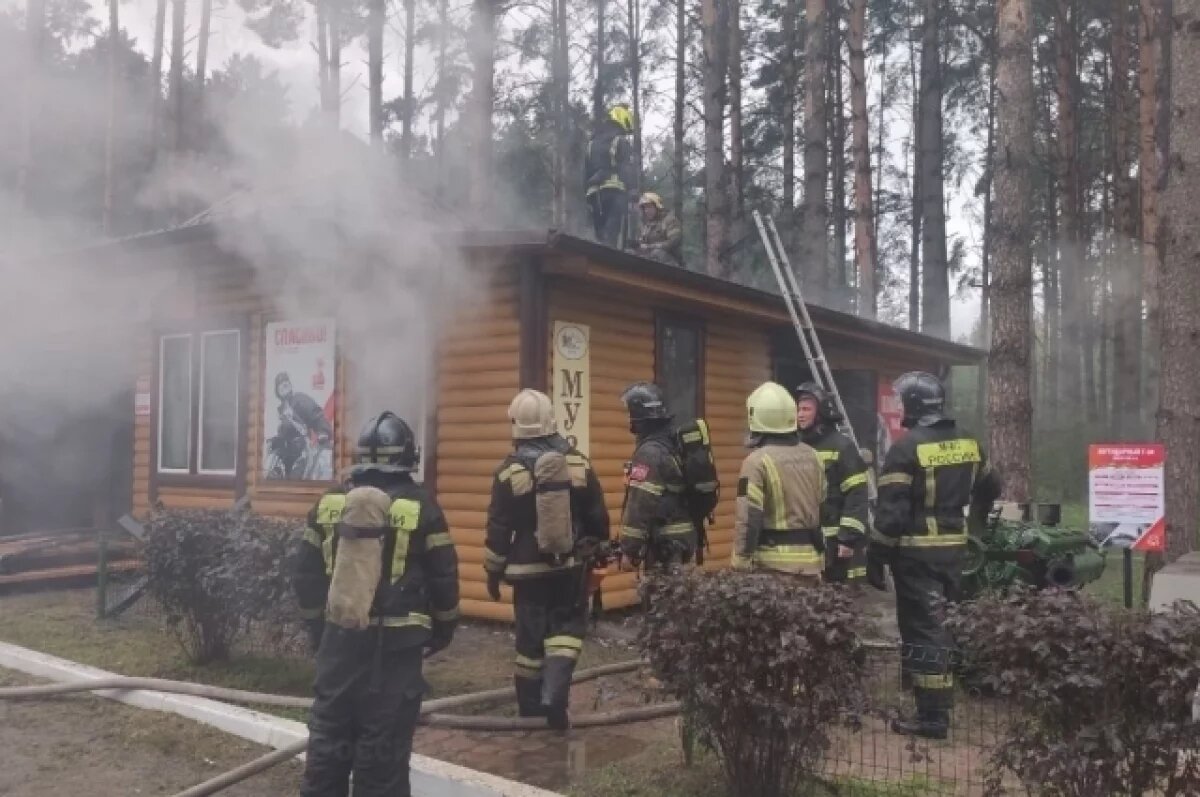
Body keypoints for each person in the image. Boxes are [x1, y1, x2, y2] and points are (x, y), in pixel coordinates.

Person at [292, 411, 459, 797]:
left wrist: (321, 631)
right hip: (396, 655)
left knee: (328, 748)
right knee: (382, 760)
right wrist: (444, 629)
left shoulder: (329, 503)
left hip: (340, 645)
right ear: (406, 456)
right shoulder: (422, 507)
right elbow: (444, 576)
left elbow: (305, 576)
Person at [869, 371, 1001, 740]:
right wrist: (975, 524)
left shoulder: (907, 448)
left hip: (916, 556)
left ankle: (932, 718)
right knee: (945, 624)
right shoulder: (969, 443)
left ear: (912, 405)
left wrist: (876, 557)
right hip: (955, 552)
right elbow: (992, 485)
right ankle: (939, 702)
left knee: (923, 630)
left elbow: (891, 514)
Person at [482, 389, 610, 729]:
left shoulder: (508, 472)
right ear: (551, 422)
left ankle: (529, 712)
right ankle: (555, 699)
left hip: (526, 572)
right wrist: (597, 551)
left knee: (529, 642)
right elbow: (598, 515)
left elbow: (498, 527)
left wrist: (493, 573)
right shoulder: (579, 463)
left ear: (517, 426)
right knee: (565, 633)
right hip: (569, 567)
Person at [731, 382, 826, 581]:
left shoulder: (756, 462)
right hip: (812, 564)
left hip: (773, 569)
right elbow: (823, 504)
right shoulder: (814, 456)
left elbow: (750, 516)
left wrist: (740, 560)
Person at [795, 382, 870, 584]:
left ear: (821, 413)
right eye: (798, 409)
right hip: (806, 541)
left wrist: (847, 538)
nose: (800, 414)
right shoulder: (797, 446)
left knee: (836, 605)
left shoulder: (842, 446)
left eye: (806, 409)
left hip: (835, 543)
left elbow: (857, 495)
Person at [617, 382, 696, 571]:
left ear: (640, 416)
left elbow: (640, 504)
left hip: (665, 547)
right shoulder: (671, 442)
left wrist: (630, 551)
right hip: (683, 541)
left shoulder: (650, 452)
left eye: (631, 413)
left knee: (661, 598)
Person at [584, 105, 637, 248]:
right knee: (611, 235)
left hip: (594, 194)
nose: (626, 134)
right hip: (615, 192)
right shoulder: (620, 141)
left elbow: (585, 172)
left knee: (600, 236)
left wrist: (586, 195)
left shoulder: (591, 143)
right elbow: (626, 167)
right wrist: (633, 192)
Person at [633, 192, 683, 264]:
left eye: (649, 207)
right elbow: (643, 243)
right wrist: (637, 246)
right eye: (645, 208)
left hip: (671, 262)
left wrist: (651, 247)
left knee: (656, 253)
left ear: (657, 207)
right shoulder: (647, 225)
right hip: (651, 259)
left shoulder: (670, 220)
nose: (646, 211)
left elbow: (673, 242)